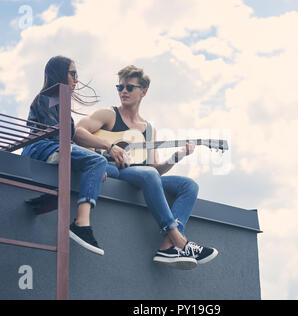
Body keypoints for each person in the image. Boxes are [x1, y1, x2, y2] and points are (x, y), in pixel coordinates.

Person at [74, 65, 218, 270]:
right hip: (112, 169)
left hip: (140, 174)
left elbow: (153, 170)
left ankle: (167, 247)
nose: (123, 91)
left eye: (129, 87)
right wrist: (110, 146)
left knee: (189, 186)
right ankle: (179, 241)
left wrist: (177, 156)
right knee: (148, 175)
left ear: (143, 91)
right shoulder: (109, 114)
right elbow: (78, 132)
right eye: (119, 87)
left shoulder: (149, 129)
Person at [21, 56, 108, 256]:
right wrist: (93, 161)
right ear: (59, 73)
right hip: (41, 148)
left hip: (53, 149)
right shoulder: (48, 98)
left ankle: (82, 223)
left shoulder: (60, 103)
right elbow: (59, 137)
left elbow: (69, 139)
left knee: (101, 165)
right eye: (73, 73)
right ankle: (81, 224)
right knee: (97, 160)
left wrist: (95, 166)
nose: (77, 79)